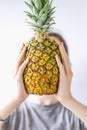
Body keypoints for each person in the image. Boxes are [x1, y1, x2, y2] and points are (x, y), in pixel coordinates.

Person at [0, 32, 87, 130]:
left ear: (66, 65)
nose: (43, 67)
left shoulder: (78, 114)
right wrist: (16, 99)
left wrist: (68, 100)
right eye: (38, 57)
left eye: (52, 57)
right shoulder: (10, 114)